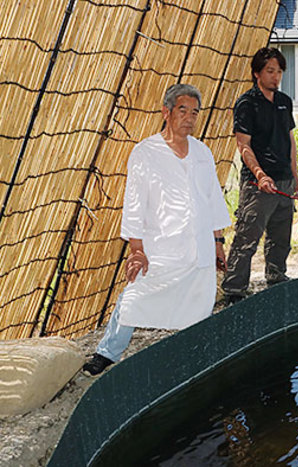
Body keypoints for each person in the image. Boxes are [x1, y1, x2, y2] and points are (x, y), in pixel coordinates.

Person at [82, 84, 231, 376]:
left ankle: (194, 361)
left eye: (195, 112)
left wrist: (218, 242)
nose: (189, 117)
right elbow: (134, 203)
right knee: (134, 298)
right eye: (182, 110)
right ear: (166, 112)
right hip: (162, 247)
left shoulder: (202, 153)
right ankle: (106, 353)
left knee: (199, 307)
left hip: (198, 247)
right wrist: (137, 250)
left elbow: (212, 199)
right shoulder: (146, 152)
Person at [221, 47, 298, 304]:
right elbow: (243, 145)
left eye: (279, 71)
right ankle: (234, 290)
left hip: (284, 182)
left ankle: (276, 277)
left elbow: (290, 140)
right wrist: (260, 174)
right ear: (257, 73)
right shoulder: (247, 103)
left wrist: (295, 176)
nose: (275, 76)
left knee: (281, 237)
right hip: (258, 185)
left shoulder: (284, 101)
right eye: (270, 71)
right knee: (247, 237)